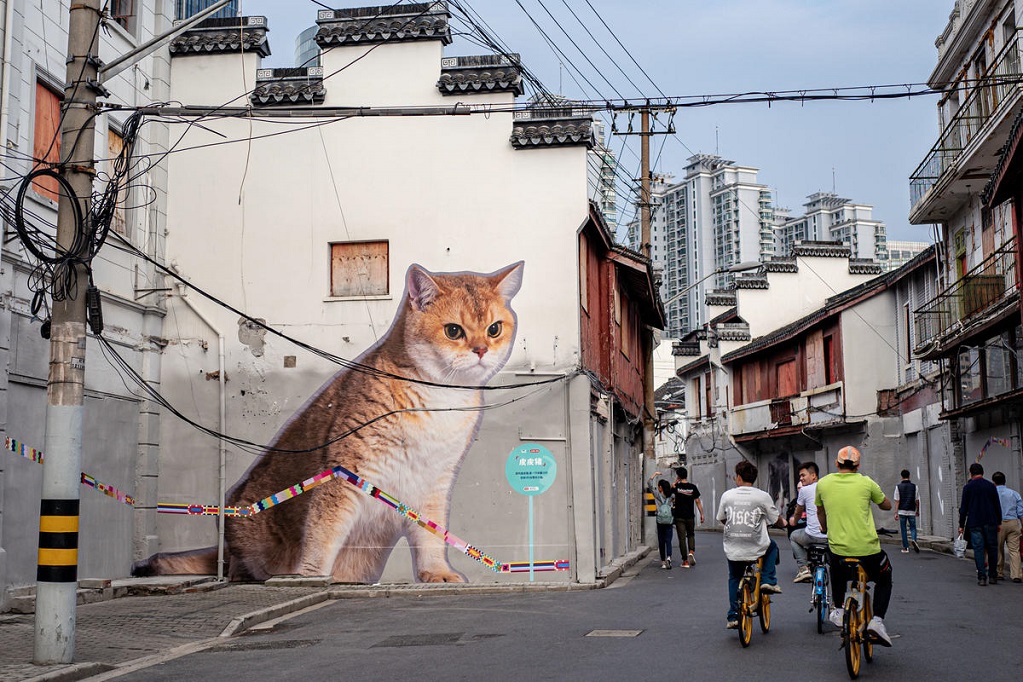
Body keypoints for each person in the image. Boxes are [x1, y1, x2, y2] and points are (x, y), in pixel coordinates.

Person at [816, 445, 894, 647]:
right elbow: (886, 505)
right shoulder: (867, 483)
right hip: (868, 551)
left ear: (837, 463)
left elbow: (820, 512)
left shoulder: (823, 484)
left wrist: (824, 527)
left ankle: (839, 609)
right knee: (885, 576)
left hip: (839, 550)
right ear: (858, 466)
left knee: (834, 564)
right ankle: (877, 621)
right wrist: (881, 501)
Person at [717, 460, 785, 630]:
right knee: (772, 546)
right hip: (755, 546)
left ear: (738, 477)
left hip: (733, 546)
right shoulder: (762, 496)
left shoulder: (727, 495)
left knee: (734, 577)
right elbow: (775, 519)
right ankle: (768, 580)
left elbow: (722, 518)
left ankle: (733, 616)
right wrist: (784, 523)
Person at [958, 462, 1002, 586]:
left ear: (971, 473)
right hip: (990, 521)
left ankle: (982, 577)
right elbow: (997, 505)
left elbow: (963, 509)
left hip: (975, 522)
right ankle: (993, 576)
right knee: (992, 548)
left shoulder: (968, 488)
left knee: (978, 549)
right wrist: (999, 522)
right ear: (982, 472)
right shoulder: (991, 486)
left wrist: (961, 525)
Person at [789, 461, 827, 583]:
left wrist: (794, 521)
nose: (801, 478)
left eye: (803, 475)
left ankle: (803, 569)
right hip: (831, 537)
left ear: (813, 475)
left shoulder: (804, 490)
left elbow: (798, 512)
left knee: (794, 536)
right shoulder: (828, 487)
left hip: (812, 536)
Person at [992, 471, 1023, 583]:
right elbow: (1020, 512)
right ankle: (1016, 574)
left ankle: (999, 572)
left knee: (998, 548)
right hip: (1013, 523)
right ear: (1005, 481)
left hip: (998, 523)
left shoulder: (992, 494)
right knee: (1014, 550)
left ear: (993, 482)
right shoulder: (1014, 494)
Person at [672, 466, 705, 568]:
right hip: (690, 516)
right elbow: (697, 501)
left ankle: (685, 561)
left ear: (678, 476)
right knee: (691, 534)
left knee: (682, 539)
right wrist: (702, 514)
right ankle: (691, 552)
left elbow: (670, 496)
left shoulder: (676, 487)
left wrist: (674, 483)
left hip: (679, 517)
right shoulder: (693, 487)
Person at [647, 473, 675, 569]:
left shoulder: (657, 495)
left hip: (660, 521)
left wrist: (654, 474)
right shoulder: (671, 496)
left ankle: (663, 562)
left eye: (659, 486)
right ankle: (669, 557)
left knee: (661, 541)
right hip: (669, 521)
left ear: (660, 487)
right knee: (668, 540)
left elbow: (649, 484)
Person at [893, 469, 920, 554]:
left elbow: (897, 501)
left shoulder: (898, 487)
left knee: (903, 529)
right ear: (909, 476)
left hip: (902, 511)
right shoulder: (915, 487)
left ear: (901, 477)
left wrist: (896, 512)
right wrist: (917, 510)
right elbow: (917, 500)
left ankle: (906, 548)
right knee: (913, 528)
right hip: (911, 510)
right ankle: (914, 540)